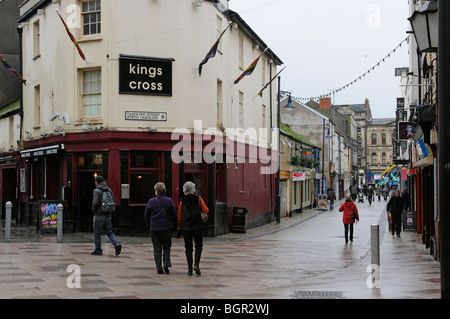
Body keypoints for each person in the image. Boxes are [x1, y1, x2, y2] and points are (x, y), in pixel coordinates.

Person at [144, 182, 178, 274]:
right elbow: (175, 215)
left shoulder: (151, 201)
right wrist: (175, 226)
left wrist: (149, 225)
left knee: (157, 247)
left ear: (156, 191)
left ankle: (158, 267)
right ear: (164, 191)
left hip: (154, 228)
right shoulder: (169, 201)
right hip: (166, 228)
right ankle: (166, 264)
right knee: (167, 246)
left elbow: (146, 215)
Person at [177, 181, 209, 276]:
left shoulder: (182, 201)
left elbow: (179, 216)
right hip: (198, 226)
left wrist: (179, 228)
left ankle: (189, 269)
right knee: (199, 246)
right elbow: (206, 210)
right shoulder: (198, 199)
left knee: (188, 248)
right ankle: (197, 265)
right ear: (194, 190)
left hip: (186, 227)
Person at [91, 175, 121, 256]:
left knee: (97, 233)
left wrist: (94, 210)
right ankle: (116, 243)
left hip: (99, 215)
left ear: (96, 182)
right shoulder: (109, 189)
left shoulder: (96, 191)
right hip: (108, 214)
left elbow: (95, 203)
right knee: (109, 231)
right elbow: (113, 201)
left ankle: (98, 250)